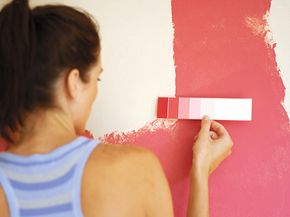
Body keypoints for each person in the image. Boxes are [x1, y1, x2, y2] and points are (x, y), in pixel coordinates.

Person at [0, 0, 233, 216]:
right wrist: (200, 172)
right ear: (73, 82)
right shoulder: (133, 170)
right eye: (96, 79)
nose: (95, 92)